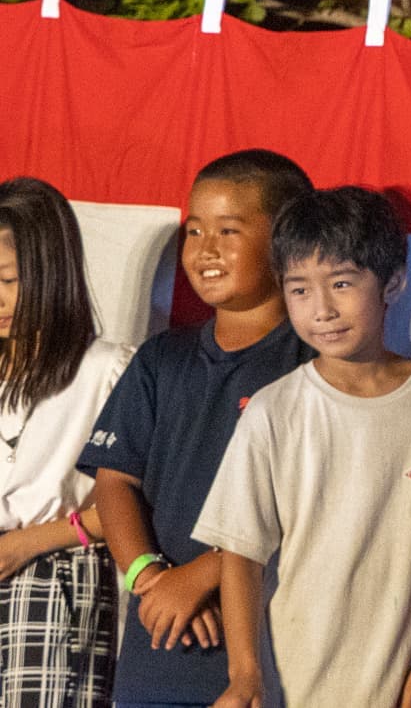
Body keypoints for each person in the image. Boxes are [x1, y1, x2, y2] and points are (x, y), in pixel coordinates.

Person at [192, 185, 411, 708]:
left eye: (341, 283)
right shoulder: (274, 410)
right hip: (294, 683)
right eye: (300, 289)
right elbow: (241, 555)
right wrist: (245, 674)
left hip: (407, 684)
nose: (322, 309)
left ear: (393, 282)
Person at [77, 150, 315, 708]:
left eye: (228, 231)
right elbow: (114, 481)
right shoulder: (162, 357)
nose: (205, 249)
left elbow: (312, 502)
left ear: (286, 240)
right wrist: (149, 576)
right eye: (195, 230)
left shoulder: (314, 363)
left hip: (273, 656)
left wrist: (202, 576)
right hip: (159, 651)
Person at [0, 176, 132, 707]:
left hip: (52, 575)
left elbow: (131, 505)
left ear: (50, 271)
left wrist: (26, 543)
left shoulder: (105, 369)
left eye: (8, 280)